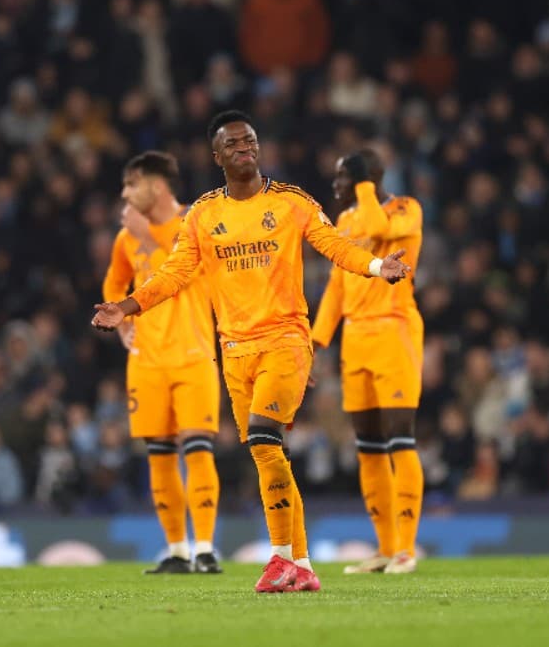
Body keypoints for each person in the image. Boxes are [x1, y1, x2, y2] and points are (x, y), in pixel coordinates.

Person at [91, 110, 411, 593]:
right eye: (233, 143)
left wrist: (373, 264)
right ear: (217, 156)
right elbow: (175, 273)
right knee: (265, 455)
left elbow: (333, 244)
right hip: (234, 352)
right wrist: (128, 307)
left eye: (251, 140)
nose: (245, 148)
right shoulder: (202, 214)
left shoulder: (290, 201)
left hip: (285, 340)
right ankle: (293, 561)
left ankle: (290, 559)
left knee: (264, 439)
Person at [102, 151, 222, 574]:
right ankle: (177, 550)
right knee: (159, 456)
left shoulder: (195, 222)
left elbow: (185, 270)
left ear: (156, 185)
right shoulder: (125, 239)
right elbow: (115, 283)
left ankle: (205, 548)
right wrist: (120, 326)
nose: (124, 193)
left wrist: (150, 237)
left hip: (192, 356)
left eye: (131, 183)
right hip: (147, 361)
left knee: (197, 450)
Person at [311, 149, 425, 574]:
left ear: (368, 178)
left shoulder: (405, 208)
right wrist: (317, 341)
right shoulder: (343, 223)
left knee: (400, 437)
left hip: (394, 328)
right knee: (368, 446)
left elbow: (378, 229)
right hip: (355, 338)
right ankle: (385, 547)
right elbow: (337, 288)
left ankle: (406, 551)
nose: (337, 186)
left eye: (345, 178)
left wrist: (364, 186)